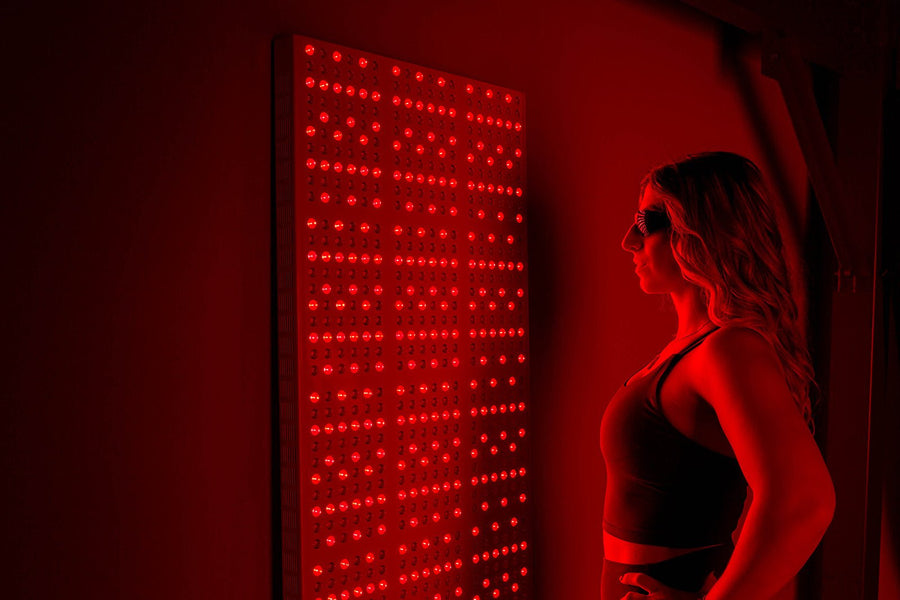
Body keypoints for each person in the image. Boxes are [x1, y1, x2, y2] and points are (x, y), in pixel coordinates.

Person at [600, 152, 835, 600]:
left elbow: (805, 502)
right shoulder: (689, 351)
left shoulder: (728, 349)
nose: (629, 240)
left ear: (699, 230)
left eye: (646, 222)